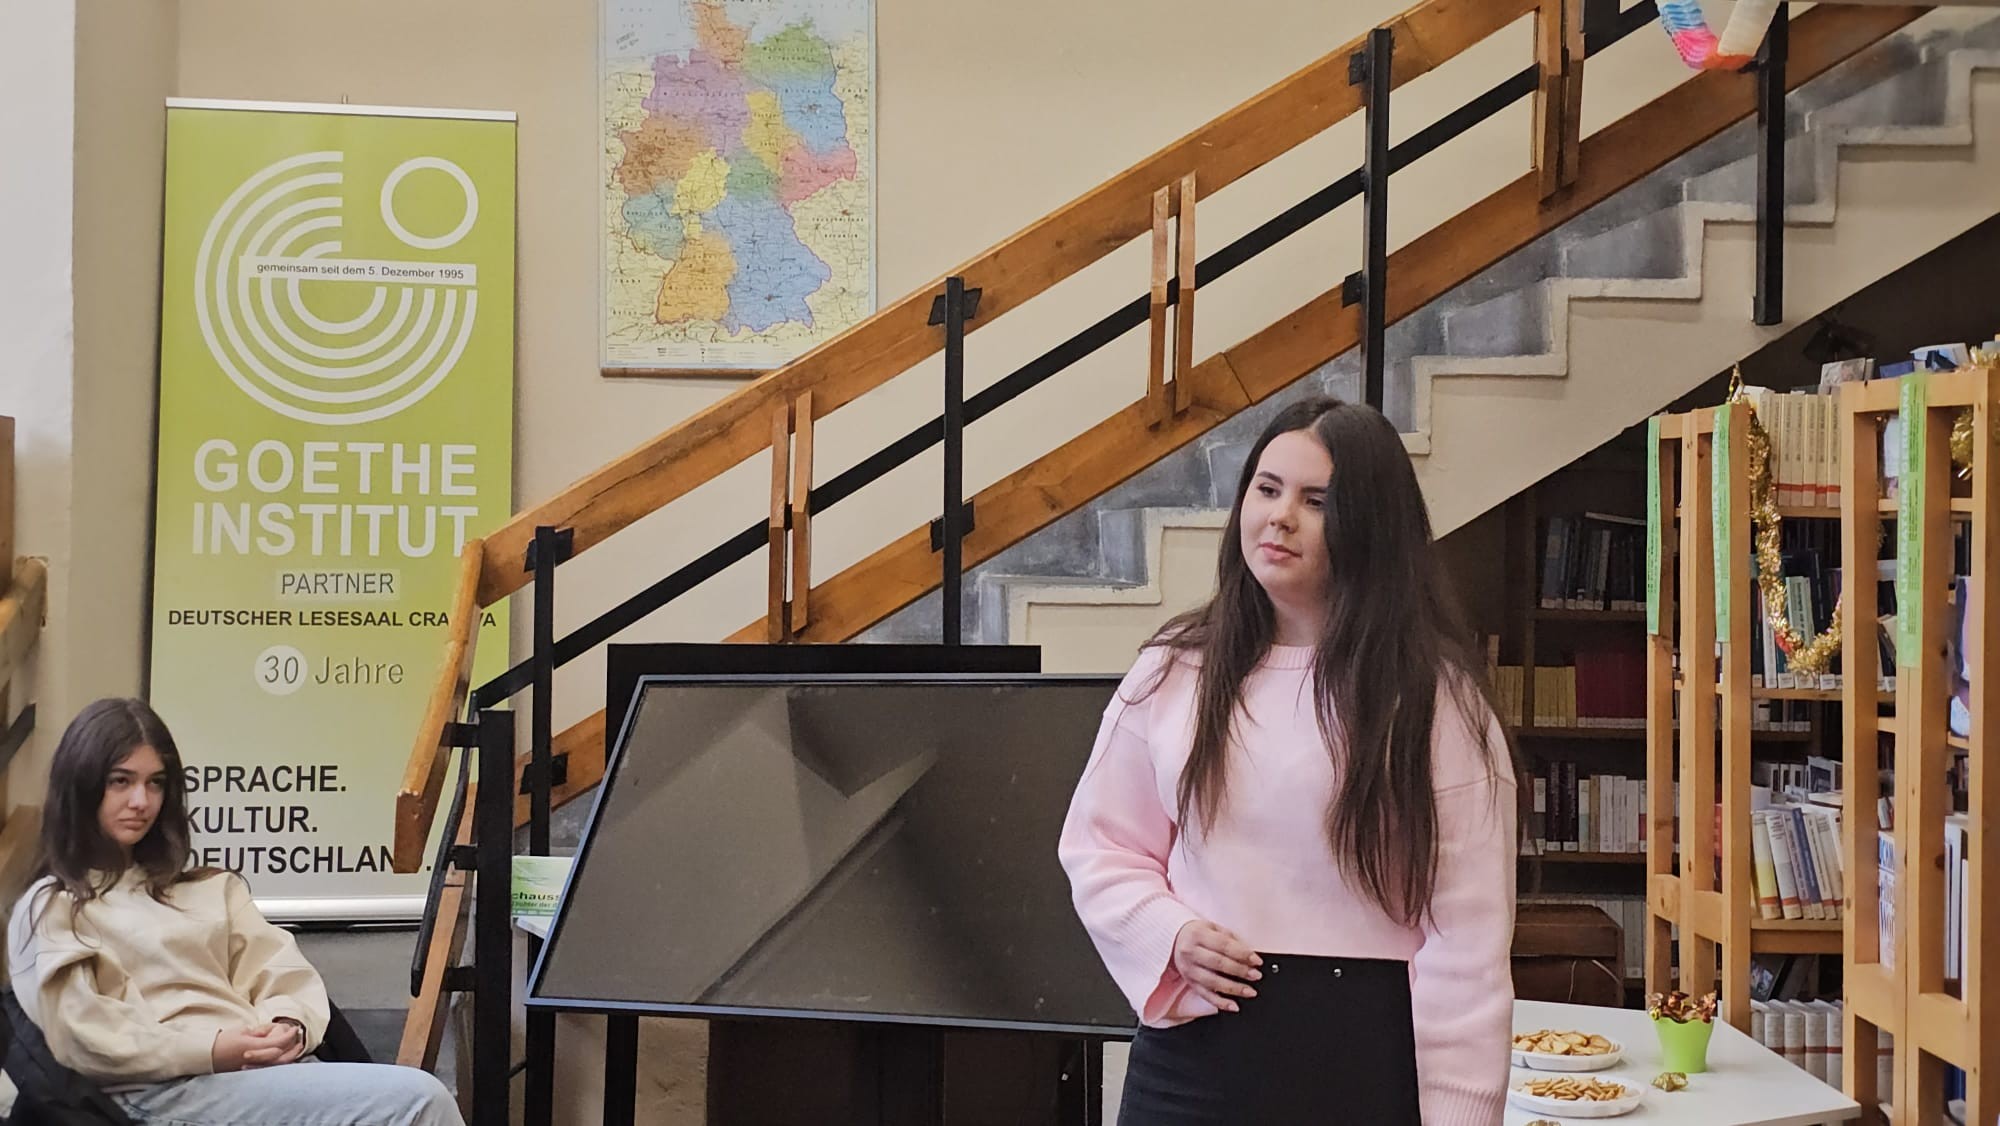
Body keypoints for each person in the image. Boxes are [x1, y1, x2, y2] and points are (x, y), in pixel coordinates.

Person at [1058, 396, 1518, 1125]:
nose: (1279, 517)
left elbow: (1469, 939)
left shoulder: (1436, 701)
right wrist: (1167, 934)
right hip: (1192, 1062)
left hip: (1365, 1068)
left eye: (1316, 501)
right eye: (1266, 489)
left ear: (1370, 524)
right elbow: (1100, 845)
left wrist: (1461, 1112)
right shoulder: (1173, 669)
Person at [7, 698, 464, 1126]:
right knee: (420, 1100)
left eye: (155, 782)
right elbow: (85, 1036)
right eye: (120, 781)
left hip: (256, 1074)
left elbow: (284, 976)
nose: (141, 801)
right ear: (82, 786)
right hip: (157, 1092)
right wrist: (216, 1049)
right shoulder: (54, 904)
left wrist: (287, 1026)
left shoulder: (210, 889)